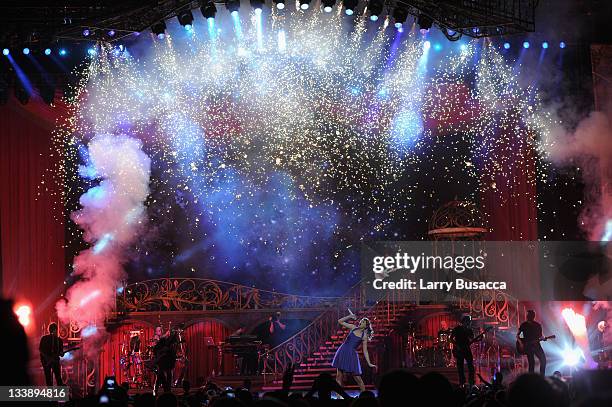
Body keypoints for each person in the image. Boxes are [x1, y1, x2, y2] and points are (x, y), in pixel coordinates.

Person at [331, 311, 376, 392]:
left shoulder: (364, 336)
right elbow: (340, 321)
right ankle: (338, 396)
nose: (360, 322)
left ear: (366, 326)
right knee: (338, 376)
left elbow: (365, 351)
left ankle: (364, 396)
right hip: (343, 350)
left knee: (358, 378)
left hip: (351, 354)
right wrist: (350, 316)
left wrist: (369, 363)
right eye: (361, 321)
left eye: (363, 322)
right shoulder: (353, 327)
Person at [516, 310, 547, 375]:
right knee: (531, 362)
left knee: (543, 360)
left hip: (536, 345)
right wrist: (521, 343)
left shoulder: (537, 325)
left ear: (533, 316)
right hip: (528, 346)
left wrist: (543, 338)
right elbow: (519, 336)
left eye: (529, 315)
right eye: (527, 315)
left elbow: (540, 335)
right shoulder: (524, 325)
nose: (527, 316)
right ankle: (531, 379)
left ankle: (542, 377)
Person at [152, 325, 178, 394]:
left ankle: (164, 389)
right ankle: (158, 389)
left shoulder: (169, 343)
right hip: (163, 362)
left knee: (166, 375)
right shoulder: (161, 341)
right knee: (161, 376)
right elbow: (155, 350)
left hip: (167, 362)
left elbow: (172, 353)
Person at [451, 315, 475, 386]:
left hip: (467, 349)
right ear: (464, 322)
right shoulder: (457, 329)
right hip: (459, 350)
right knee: (460, 366)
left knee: (470, 365)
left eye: (469, 322)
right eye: (467, 322)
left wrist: (474, 339)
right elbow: (451, 338)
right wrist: (457, 345)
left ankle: (471, 380)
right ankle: (462, 381)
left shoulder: (469, 330)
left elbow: (472, 339)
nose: (468, 323)